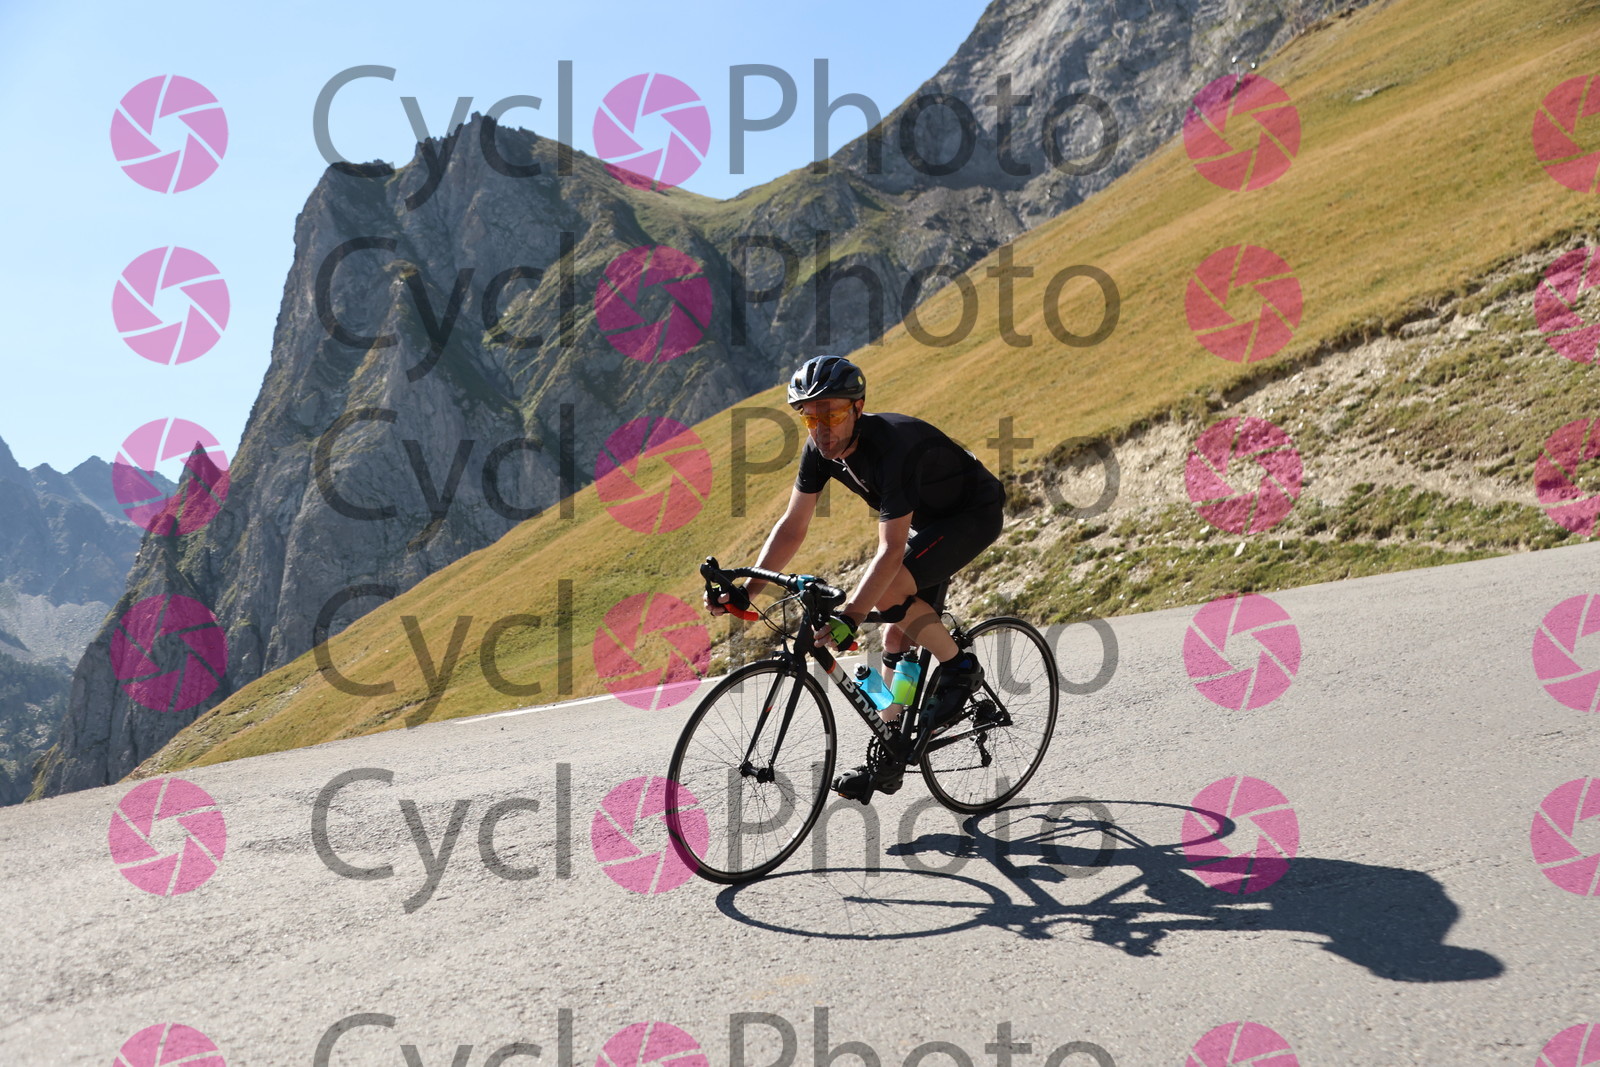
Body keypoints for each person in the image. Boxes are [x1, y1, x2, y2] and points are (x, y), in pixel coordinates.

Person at [705, 354, 1006, 803]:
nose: (822, 428)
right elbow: (792, 527)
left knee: (889, 591)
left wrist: (851, 615)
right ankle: (891, 752)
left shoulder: (893, 449)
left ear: (858, 407)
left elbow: (889, 550)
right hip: (927, 522)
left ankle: (960, 668)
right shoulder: (819, 451)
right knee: (894, 636)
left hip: (972, 513)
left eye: (832, 414)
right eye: (810, 417)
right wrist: (748, 592)